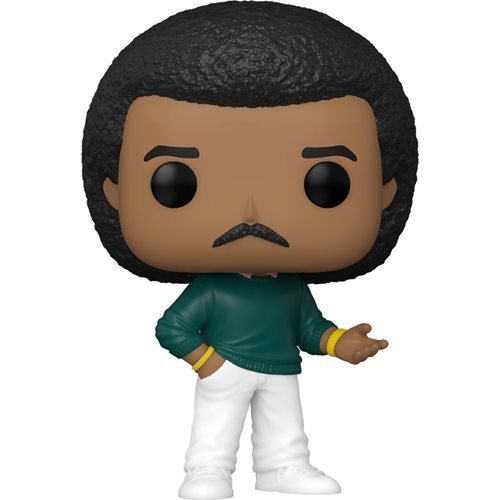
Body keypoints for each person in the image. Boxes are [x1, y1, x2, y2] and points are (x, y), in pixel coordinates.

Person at [82, 2, 418, 499]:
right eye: (176, 183)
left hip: (281, 366)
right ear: (115, 191)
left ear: (385, 191)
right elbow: (171, 327)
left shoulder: (290, 288)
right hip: (226, 366)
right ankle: (206, 472)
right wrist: (206, 362)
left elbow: (308, 327)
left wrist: (338, 342)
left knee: (286, 424)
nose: (251, 214)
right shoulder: (212, 290)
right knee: (215, 427)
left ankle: (283, 469)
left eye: (326, 183)